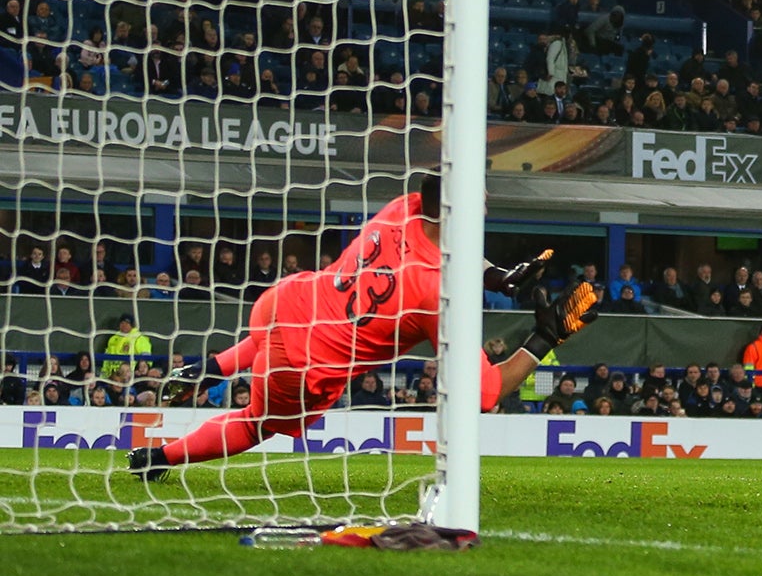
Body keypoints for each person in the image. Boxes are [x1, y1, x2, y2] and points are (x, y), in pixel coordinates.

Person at [132, 180, 598, 481]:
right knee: (255, 426)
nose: (487, 203)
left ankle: (209, 368)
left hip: (285, 302)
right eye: (479, 199)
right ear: (455, 209)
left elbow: (446, 242)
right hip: (305, 367)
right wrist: (545, 339)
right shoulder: (436, 293)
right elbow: (486, 393)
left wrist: (498, 276)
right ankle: (162, 458)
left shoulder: (403, 208)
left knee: (287, 331)